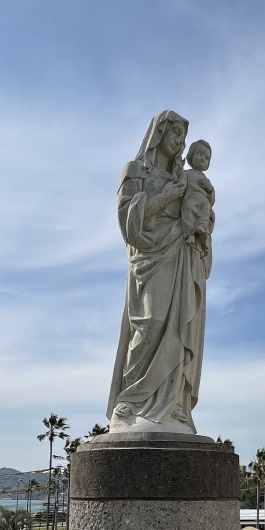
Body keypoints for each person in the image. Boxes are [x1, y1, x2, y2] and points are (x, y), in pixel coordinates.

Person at [106, 110, 212, 435]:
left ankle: (172, 407)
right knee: (149, 323)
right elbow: (129, 223)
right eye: (175, 133)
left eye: (183, 136)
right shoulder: (135, 170)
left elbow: (202, 214)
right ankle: (131, 403)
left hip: (181, 255)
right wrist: (168, 197)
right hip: (150, 258)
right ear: (159, 133)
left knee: (178, 329)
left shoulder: (184, 177)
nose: (179, 141)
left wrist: (202, 224)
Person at [179, 139, 215, 279]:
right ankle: (190, 233)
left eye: (206, 158)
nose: (202, 159)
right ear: (191, 155)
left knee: (205, 211)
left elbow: (211, 200)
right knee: (187, 209)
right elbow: (179, 183)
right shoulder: (187, 174)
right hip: (190, 200)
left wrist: (209, 189)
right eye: (199, 154)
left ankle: (202, 228)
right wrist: (178, 168)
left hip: (203, 202)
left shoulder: (206, 180)